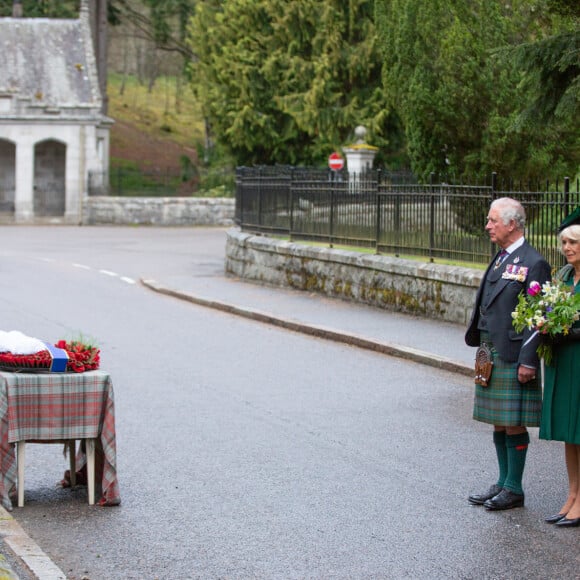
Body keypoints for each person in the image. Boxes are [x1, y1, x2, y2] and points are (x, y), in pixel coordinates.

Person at [465, 197, 551, 510]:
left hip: (514, 353)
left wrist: (529, 360)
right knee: (498, 421)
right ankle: (502, 482)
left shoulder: (534, 261)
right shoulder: (501, 258)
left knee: (513, 421)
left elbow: (537, 316)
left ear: (511, 224)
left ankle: (514, 488)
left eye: (493, 220)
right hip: (491, 349)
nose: (488, 226)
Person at [539, 207, 580, 527]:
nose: (567, 248)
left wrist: (569, 329)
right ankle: (571, 494)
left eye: (574, 243)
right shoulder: (562, 276)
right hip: (562, 359)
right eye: (564, 242)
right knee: (569, 431)